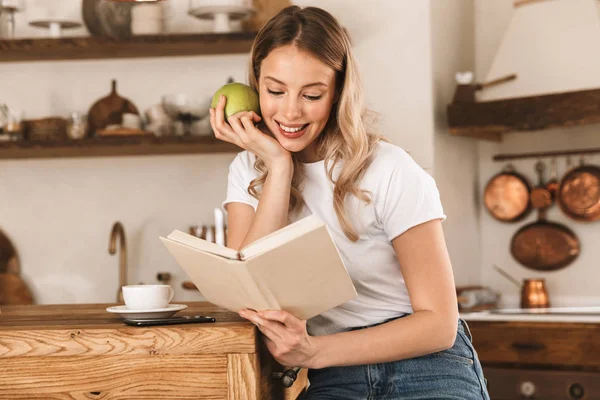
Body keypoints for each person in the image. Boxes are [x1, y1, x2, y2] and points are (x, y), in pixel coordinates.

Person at [209, 5, 490, 400]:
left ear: (338, 91)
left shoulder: (389, 169)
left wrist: (313, 351)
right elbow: (249, 289)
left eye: (312, 94)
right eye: (275, 91)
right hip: (337, 375)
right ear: (256, 84)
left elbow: (439, 325)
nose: (290, 111)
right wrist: (278, 166)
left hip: (428, 366)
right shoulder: (248, 170)